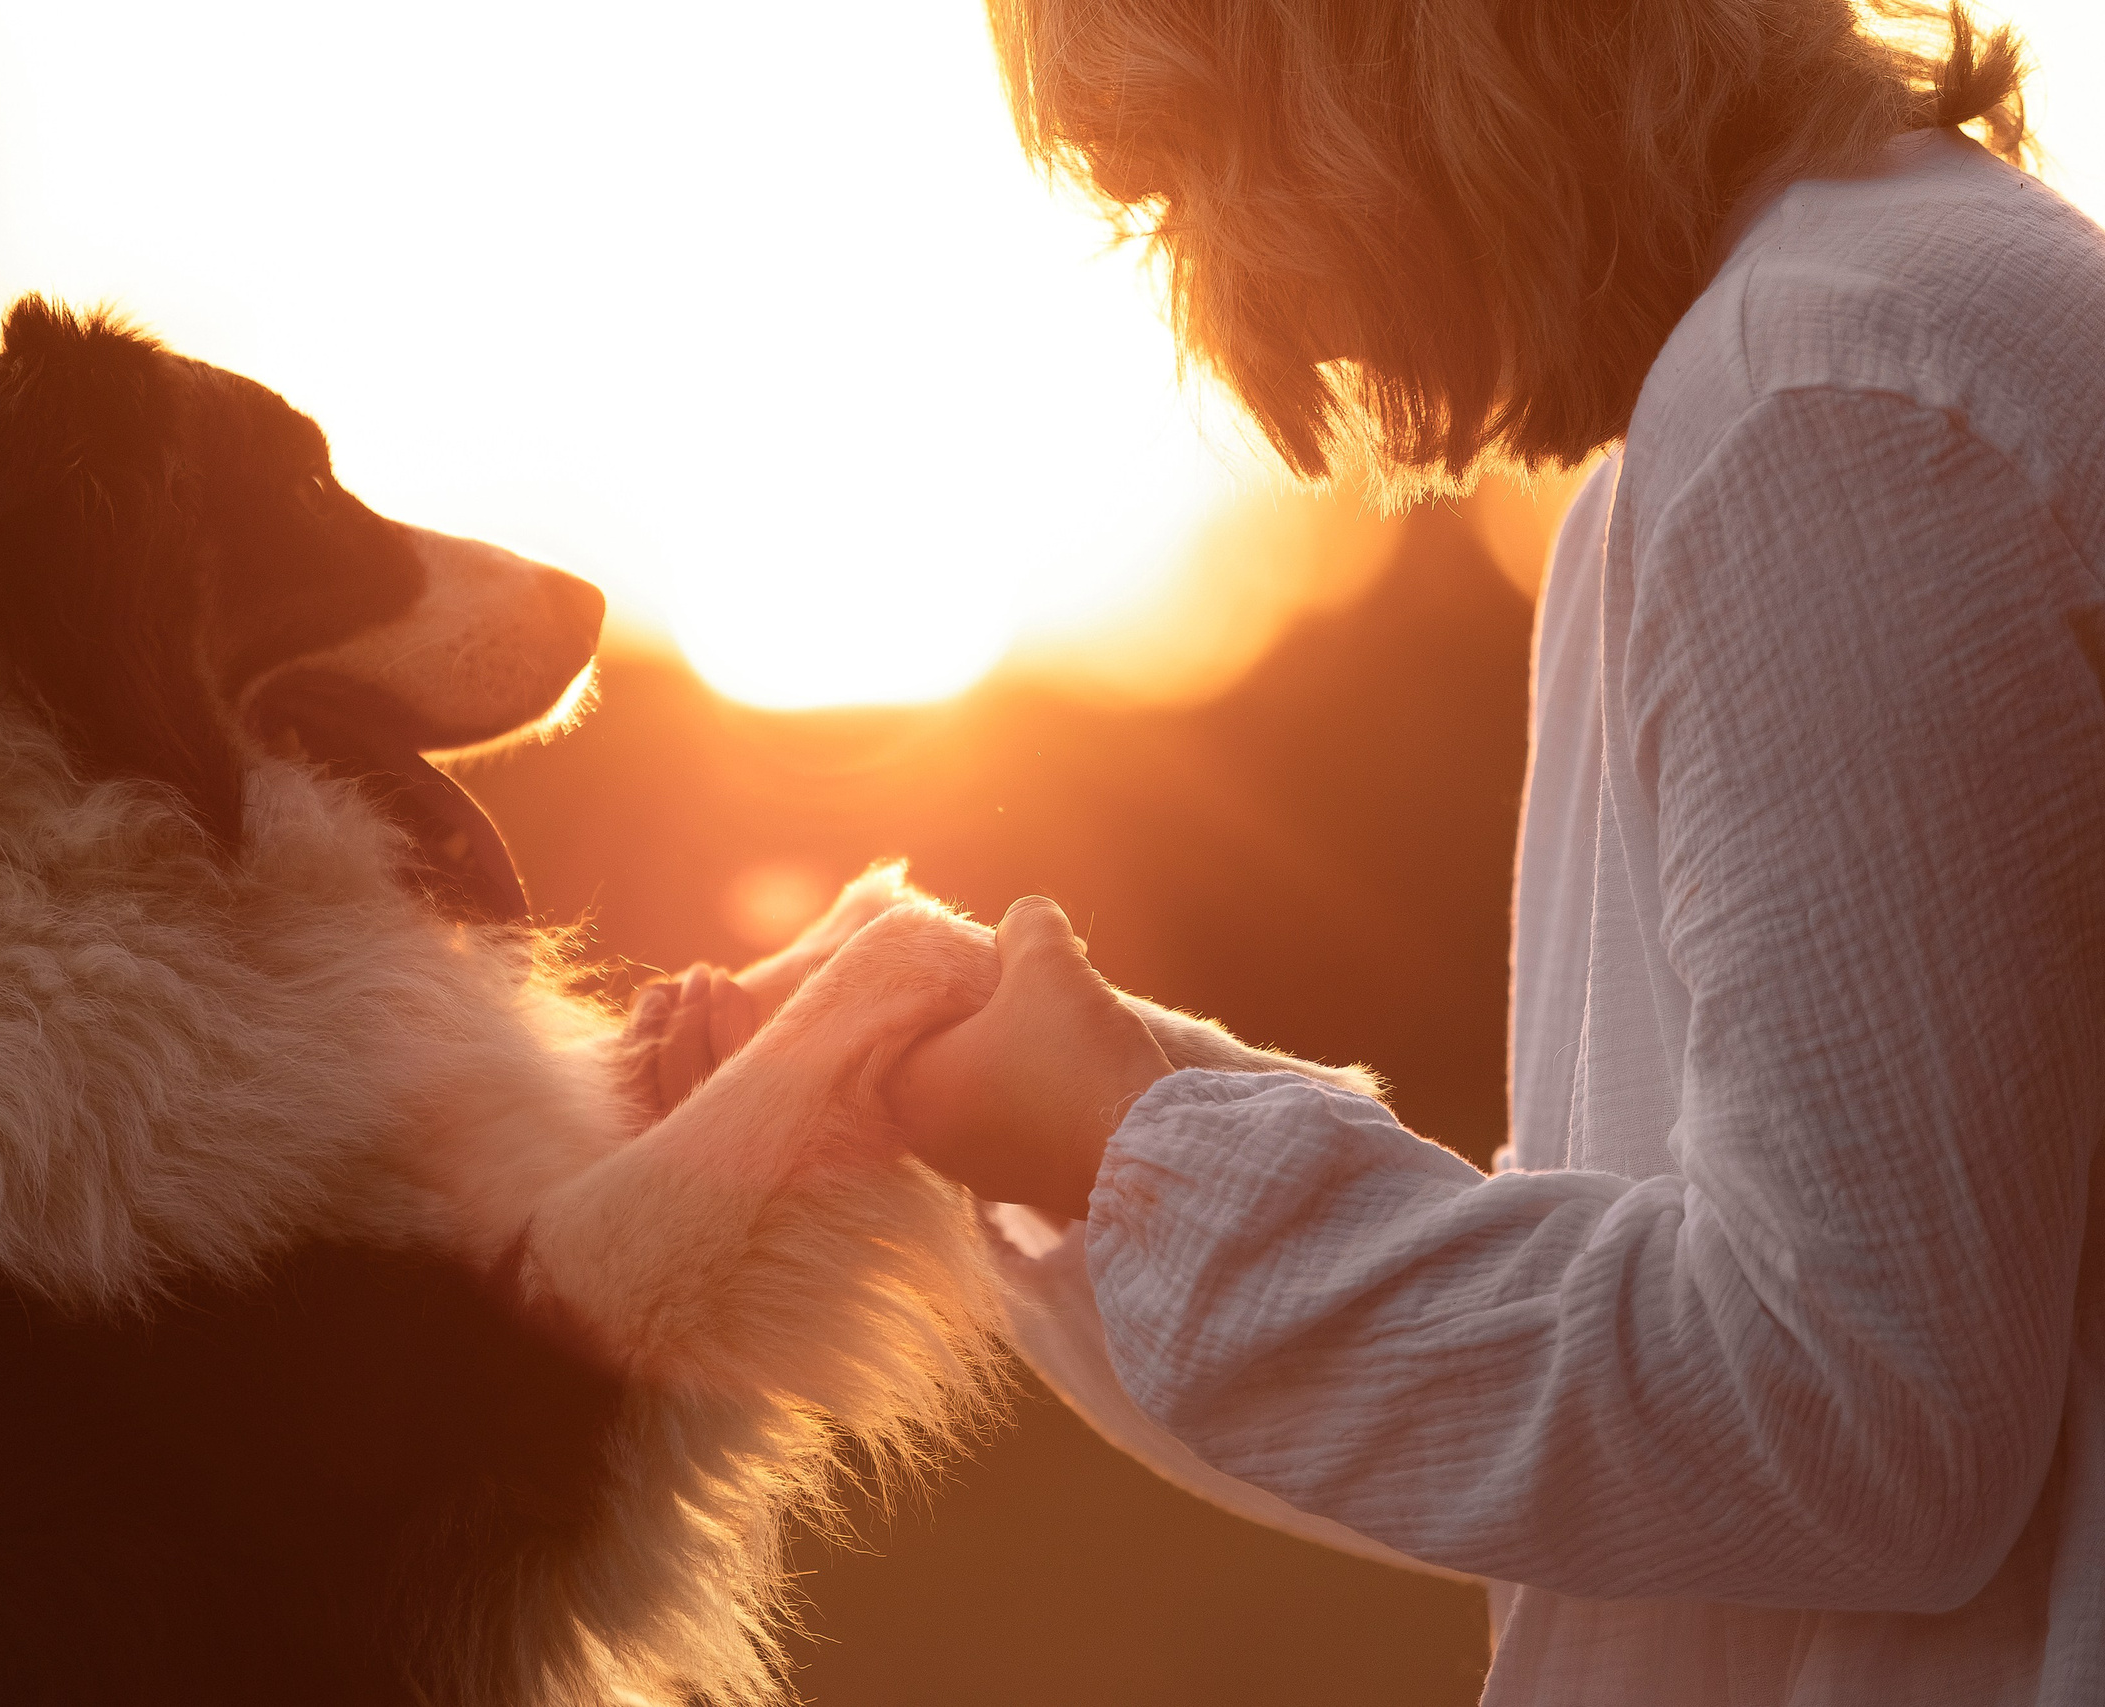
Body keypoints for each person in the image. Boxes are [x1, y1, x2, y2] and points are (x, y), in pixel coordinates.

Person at [882, 2, 2105, 1703]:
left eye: (1194, 180)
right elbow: (1657, 1438)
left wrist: (1127, 1151)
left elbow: (1849, 1419)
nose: (1227, 313)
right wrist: (1109, 1119)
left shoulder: (1822, 400)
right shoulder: (1780, 386)